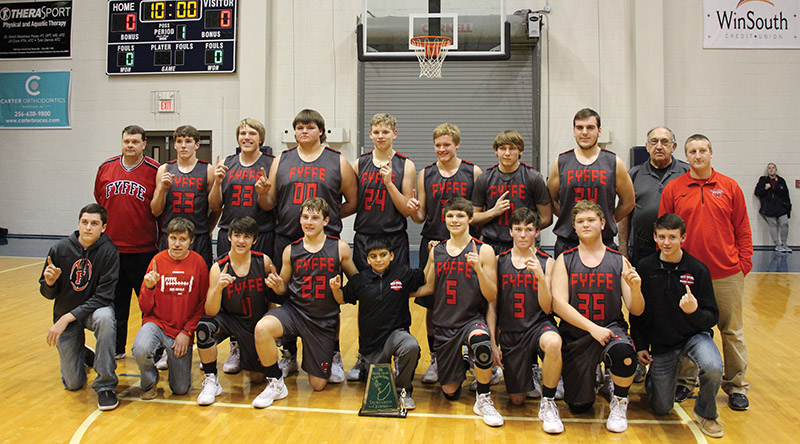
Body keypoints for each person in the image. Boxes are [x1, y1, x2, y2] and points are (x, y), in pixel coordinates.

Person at [659, 134, 753, 411]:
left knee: (731, 330)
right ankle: (685, 383)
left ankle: (736, 386)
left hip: (726, 273)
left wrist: (743, 264)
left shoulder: (730, 187)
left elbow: (743, 229)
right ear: (685, 156)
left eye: (702, 150)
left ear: (711, 154)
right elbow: (665, 229)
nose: (697, 155)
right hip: (686, 273)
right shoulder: (675, 188)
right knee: (687, 328)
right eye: (692, 151)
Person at [265, 109, 358, 382]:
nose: (304, 131)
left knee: (329, 300)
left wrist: (325, 223)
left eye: (310, 127)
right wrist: (262, 194)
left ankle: (335, 353)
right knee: (285, 297)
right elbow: (270, 201)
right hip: (287, 240)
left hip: (325, 244)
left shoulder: (338, 160)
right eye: (299, 127)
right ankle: (289, 354)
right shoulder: (281, 159)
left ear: (321, 131)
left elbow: (352, 200)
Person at [251, 198, 358, 408]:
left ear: (326, 221)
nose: (309, 222)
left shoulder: (340, 247)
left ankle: (326, 357)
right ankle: (275, 382)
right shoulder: (291, 250)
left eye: (315, 218)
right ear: (300, 219)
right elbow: (283, 288)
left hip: (322, 320)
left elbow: (356, 281)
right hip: (295, 312)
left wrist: (340, 289)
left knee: (318, 384)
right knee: (262, 328)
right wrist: (275, 284)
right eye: (305, 217)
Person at [550, 199, 644, 433]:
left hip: (611, 328)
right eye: (580, 221)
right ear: (574, 227)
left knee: (624, 354)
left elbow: (636, 309)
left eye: (591, 220)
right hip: (577, 334)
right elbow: (559, 304)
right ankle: (594, 376)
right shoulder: (565, 259)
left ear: (603, 224)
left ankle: (620, 401)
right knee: (579, 405)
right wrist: (592, 328)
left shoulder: (619, 260)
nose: (585, 224)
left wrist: (636, 289)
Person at [629, 213, 724, 438]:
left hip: (695, 337)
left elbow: (712, 317)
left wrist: (695, 312)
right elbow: (637, 313)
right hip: (663, 344)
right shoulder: (645, 267)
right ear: (654, 237)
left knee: (713, 367)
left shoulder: (698, 270)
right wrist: (640, 345)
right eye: (662, 237)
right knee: (662, 408)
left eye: (672, 237)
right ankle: (656, 378)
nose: (667, 242)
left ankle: (706, 414)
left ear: (683, 238)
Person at [414, 197, 504, 427]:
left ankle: (483, 397)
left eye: (460, 216)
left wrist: (478, 270)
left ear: (470, 219)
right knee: (450, 392)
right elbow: (428, 286)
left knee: (481, 342)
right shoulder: (438, 250)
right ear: (444, 219)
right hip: (444, 324)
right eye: (450, 216)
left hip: (471, 320)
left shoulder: (483, 251)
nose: (455, 220)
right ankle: (466, 361)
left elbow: (492, 295)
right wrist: (397, 292)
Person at [406, 123, 482, 385]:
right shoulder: (425, 173)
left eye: (446, 145)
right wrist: (412, 208)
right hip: (434, 243)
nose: (441, 149)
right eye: (437, 145)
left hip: (464, 245)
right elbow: (419, 217)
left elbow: (477, 214)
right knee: (433, 302)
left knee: (469, 300)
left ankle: (474, 356)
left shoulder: (473, 171)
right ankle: (437, 357)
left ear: (457, 145)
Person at [347, 113, 416, 380]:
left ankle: (400, 355)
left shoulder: (405, 165)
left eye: (385, 131)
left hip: (393, 238)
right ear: (370, 134)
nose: (380, 136)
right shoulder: (359, 164)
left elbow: (405, 210)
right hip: (365, 237)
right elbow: (350, 200)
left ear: (394, 134)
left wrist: (389, 184)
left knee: (396, 298)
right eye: (376, 131)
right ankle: (364, 357)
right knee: (367, 300)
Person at [487, 207, 563, 434]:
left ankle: (548, 403)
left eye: (528, 230)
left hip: (539, 325)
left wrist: (540, 277)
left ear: (537, 232)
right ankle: (528, 373)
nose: (522, 234)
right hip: (511, 332)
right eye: (518, 229)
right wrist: (493, 342)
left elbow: (548, 307)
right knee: (517, 399)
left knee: (553, 343)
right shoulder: (499, 261)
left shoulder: (548, 262)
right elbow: (492, 305)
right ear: (510, 232)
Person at [208, 118, 275, 374]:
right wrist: (216, 182)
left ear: (261, 138)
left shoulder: (270, 164)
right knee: (230, 292)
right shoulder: (227, 163)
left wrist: (262, 192)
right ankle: (236, 345)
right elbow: (215, 205)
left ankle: (264, 341)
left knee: (259, 293)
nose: (247, 137)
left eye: (252, 133)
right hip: (229, 234)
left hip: (261, 234)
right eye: (243, 133)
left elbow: (271, 203)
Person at [39, 203, 120, 411]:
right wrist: (49, 283)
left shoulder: (109, 251)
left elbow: (104, 296)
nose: (88, 227)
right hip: (66, 312)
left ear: (103, 228)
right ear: (78, 223)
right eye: (84, 222)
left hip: (93, 312)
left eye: (94, 223)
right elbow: (48, 294)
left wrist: (67, 318)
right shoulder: (60, 249)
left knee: (106, 318)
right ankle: (83, 354)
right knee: (73, 384)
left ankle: (105, 386)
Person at [329, 236, 425, 409]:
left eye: (383, 255)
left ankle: (403, 390)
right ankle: (366, 367)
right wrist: (335, 289)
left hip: (396, 335)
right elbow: (342, 299)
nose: (379, 259)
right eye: (373, 256)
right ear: (367, 259)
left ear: (392, 256)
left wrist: (432, 255)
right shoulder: (360, 280)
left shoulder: (402, 273)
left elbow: (426, 279)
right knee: (378, 386)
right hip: (371, 344)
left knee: (411, 346)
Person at [94, 125, 159, 360]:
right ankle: (117, 348)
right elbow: (99, 203)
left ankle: (151, 349)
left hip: (144, 249)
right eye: (126, 141)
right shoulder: (106, 168)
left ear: (143, 144)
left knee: (148, 304)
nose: (130, 145)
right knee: (115, 304)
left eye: (134, 141)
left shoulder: (155, 170)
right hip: (111, 250)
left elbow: (160, 208)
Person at [195, 216, 275, 406]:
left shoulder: (263, 262)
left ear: (254, 240)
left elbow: (273, 298)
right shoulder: (218, 267)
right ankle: (211, 379)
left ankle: (246, 350)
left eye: (247, 237)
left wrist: (268, 328)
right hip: (229, 320)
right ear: (229, 237)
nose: (241, 241)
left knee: (257, 378)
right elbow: (211, 311)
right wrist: (218, 289)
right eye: (237, 235)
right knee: (204, 327)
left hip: (254, 325)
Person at [131, 218, 209, 399]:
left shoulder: (199, 264)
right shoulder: (157, 261)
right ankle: (149, 382)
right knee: (140, 349)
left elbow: (202, 305)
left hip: (181, 329)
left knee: (180, 389)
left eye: (182, 239)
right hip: (156, 323)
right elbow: (144, 307)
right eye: (173, 238)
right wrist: (149, 288)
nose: (177, 244)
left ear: (191, 241)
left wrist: (187, 332)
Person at [546, 108, 635, 257]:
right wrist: (568, 216)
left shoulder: (614, 163)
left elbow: (628, 202)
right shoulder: (560, 162)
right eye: (580, 128)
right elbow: (551, 199)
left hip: (603, 242)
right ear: (574, 131)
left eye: (590, 128)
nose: (584, 132)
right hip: (568, 242)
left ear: (599, 131)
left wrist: (607, 219)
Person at [472, 130, 552, 254]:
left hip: (524, 245)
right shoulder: (485, 179)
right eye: (503, 148)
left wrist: (524, 232)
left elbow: (547, 218)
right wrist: (493, 212)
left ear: (520, 151)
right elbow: (472, 218)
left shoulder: (533, 178)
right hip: (492, 244)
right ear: (496, 151)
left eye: (512, 148)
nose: (507, 153)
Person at [618, 127, 689, 266]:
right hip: (643, 250)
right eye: (654, 142)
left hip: (679, 249)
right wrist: (623, 251)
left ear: (673, 146)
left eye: (664, 142)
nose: (659, 147)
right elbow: (625, 216)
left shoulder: (686, 173)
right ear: (647, 146)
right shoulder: (633, 175)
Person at [151, 125, 216, 267]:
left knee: (199, 282)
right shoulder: (165, 169)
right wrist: (162, 188)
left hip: (198, 237)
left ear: (197, 145)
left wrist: (207, 229)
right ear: (174, 145)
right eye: (179, 141)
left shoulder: (208, 169)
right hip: (171, 237)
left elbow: (216, 208)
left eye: (188, 141)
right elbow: (155, 210)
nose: (183, 146)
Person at [754, 162, 792, 253]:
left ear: (776, 170)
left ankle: (784, 243)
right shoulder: (763, 180)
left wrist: (788, 206)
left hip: (780, 207)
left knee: (784, 224)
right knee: (773, 225)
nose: (771, 169)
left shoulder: (781, 180)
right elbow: (757, 193)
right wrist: (765, 188)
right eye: (769, 168)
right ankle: (777, 244)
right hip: (768, 208)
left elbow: (786, 194)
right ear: (767, 170)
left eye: (773, 168)